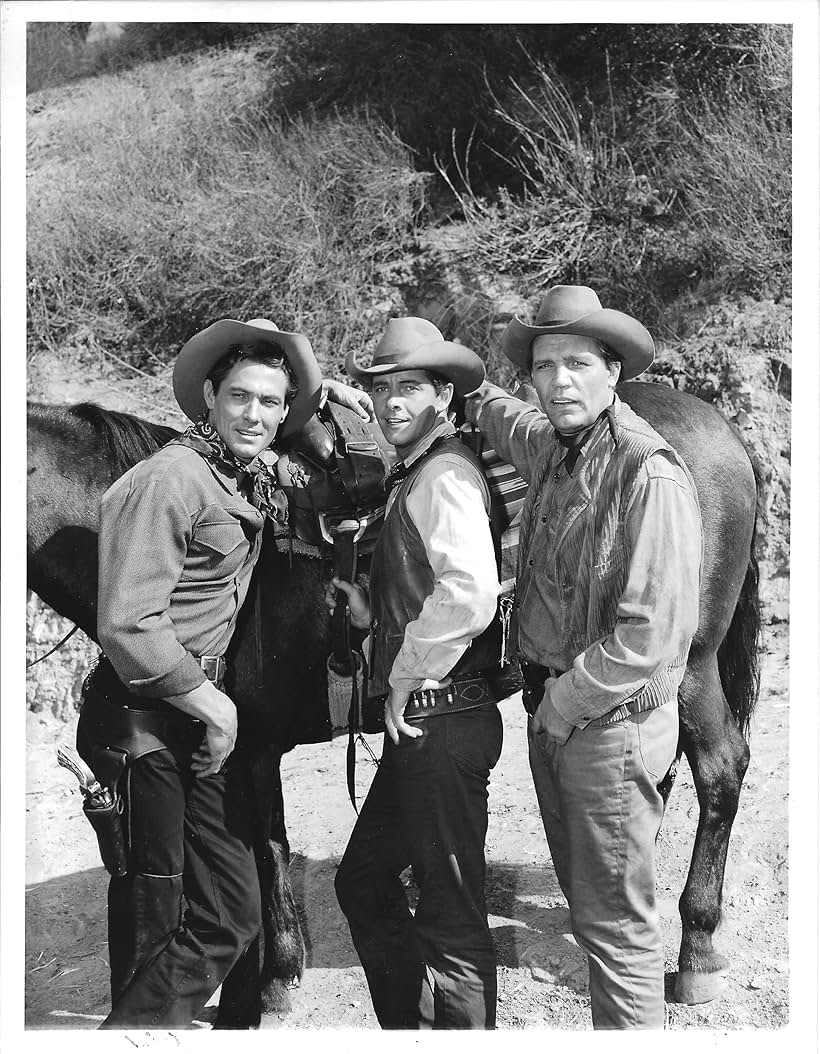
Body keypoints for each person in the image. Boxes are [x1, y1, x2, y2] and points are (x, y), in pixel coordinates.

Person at [77, 316, 372, 1030]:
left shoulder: (233, 471)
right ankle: (138, 1033)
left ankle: (142, 1028)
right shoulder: (169, 479)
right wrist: (214, 706)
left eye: (270, 403)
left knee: (234, 911)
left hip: (194, 714)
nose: (256, 414)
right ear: (209, 396)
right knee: (158, 907)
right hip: (147, 715)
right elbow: (128, 622)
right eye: (240, 397)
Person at [464, 285, 702, 1030]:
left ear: (612, 372)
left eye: (576, 364)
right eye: (545, 367)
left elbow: (649, 634)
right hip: (560, 715)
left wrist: (563, 704)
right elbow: (508, 422)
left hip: (604, 725)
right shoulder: (558, 446)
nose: (560, 381)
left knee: (616, 930)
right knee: (590, 904)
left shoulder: (646, 472)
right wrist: (462, 393)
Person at [326, 317, 503, 1029]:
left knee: (451, 921)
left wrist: (404, 672)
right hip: (427, 724)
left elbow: (469, 591)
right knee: (363, 884)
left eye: (412, 388)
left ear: (444, 397)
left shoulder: (445, 474)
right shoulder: (418, 472)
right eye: (383, 388)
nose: (393, 402)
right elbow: (431, 586)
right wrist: (378, 614)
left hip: (443, 719)